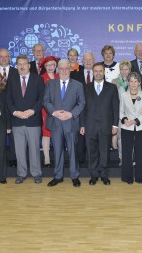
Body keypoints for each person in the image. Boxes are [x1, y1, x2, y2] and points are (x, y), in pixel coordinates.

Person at [44, 59, 85, 188]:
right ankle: (58, 176)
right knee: (57, 151)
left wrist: (71, 114)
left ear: (70, 70)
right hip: (56, 122)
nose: (63, 71)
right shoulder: (50, 84)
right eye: (61, 69)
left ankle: (74, 176)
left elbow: (82, 103)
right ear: (57, 70)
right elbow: (46, 101)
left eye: (66, 68)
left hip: (71, 122)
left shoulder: (78, 85)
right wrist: (54, 112)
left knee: (73, 151)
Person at [6, 55, 44, 184]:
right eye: (19, 64)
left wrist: (32, 111)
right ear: (16, 66)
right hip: (17, 120)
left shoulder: (37, 79)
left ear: (29, 65)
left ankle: (36, 173)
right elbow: (8, 99)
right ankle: (21, 174)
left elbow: (41, 98)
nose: (22, 66)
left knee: (34, 149)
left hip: (33, 120)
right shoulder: (11, 80)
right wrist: (15, 112)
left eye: (24, 64)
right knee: (19, 150)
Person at [80, 62, 119, 186]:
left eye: (100, 71)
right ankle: (94, 175)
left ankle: (104, 175)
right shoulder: (85, 88)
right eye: (95, 71)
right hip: (89, 125)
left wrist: (115, 125)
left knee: (104, 151)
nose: (98, 73)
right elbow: (82, 108)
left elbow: (115, 108)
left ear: (104, 72)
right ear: (92, 72)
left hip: (106, 125)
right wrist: (82, 125)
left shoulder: (112, 88)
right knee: (92, 152)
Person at [120, 72, 142, 184]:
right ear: (128, 83)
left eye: (135, 81)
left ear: (139, 83)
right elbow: (121, 112)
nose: (133, 84)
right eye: (131, 81)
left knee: (141, 153)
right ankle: (127, 177)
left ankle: (140, 177)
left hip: (141, 127)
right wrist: (125, 120)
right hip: (126, 127)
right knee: (126, 153)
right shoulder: (123, 95)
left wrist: (135, 121)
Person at [70, 52, 95, 164]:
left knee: (94, 139)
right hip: (79, 111)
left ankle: (93, 161)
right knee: (80, 140)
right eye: (86, 60)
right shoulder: (75, 75)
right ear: (82, 62)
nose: (88, 62)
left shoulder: (99, 74)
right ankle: (80, 161)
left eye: (90, 60)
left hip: (94, 112)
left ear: (94, 61)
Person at [0, 48, 18, 167]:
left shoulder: (16, 72)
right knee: (0, 136)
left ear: (9, 58)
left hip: (13, 108)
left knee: (14, 136)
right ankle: (0, 159)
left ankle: (13, 158)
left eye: (6, 56)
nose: (4, 59)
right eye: (1, 57)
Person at [39, 56, 60, 166]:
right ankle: (46, 158)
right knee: (46, 134)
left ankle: (58, 158)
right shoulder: (41, 78)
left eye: (52, 65)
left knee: (58, 135)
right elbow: (41, 97)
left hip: (59, 110)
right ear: (44, 67)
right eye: (47, 66)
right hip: (46, 111)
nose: (50, 67)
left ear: (56, 65)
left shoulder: (59, 76)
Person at [112, 60, 131, 164]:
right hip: (120, 114)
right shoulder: (114, 82)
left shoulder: (134, 80)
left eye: (126, 69)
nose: (124, 72)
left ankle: (131, 159)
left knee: (131, 139)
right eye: (122, 69)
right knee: (121, 138)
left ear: (130, 70)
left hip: (132, 115)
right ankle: (122, 159)